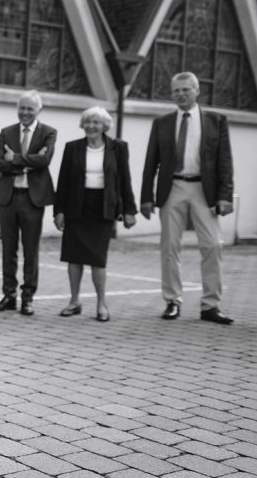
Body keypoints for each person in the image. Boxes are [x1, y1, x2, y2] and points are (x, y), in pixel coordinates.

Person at [140, 71, 234, 324]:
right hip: (173, 188)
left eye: (185, 90)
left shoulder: (216, 121)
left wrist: (225, 195)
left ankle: (210, 306)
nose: (180, 94)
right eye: (176, 91)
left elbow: (225, 161)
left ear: (197, 90)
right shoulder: (162, 123)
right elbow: (151, 162)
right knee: (169, 246)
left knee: (213, 245)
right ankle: (172, 301)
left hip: (205, 191)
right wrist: (146, 197)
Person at [54, 107, 137, 322]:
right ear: (83, 124)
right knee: (73, 258)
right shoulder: (72, 148)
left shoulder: (118, 148)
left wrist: (129, 210)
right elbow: (63, 182)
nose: (91, 126)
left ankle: (101, 303)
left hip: (103, 208)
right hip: (76, 207)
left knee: (98, 259)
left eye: (96, 122)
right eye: (88, 121)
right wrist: (59, 211)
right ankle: (74, 301)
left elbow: (125, 180)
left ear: (104, 126)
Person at [0, 90, 57, 316]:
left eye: (30, 108)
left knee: (31, 250)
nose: (25, 112)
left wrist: (15, 158)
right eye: (22, 108)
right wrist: (28, 163)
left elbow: (45, 160)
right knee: (8, 249)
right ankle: (9, 295)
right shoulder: (6, 132)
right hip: (8, 198)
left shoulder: (48, 132)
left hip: (32, 199)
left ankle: (27, 297)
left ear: (39, 110)